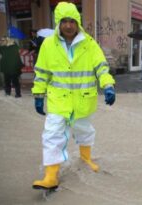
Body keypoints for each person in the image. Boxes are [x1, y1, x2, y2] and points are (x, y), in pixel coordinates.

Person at [31, 2, 116, 191]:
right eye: (64, 21)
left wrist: (108, 85)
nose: (68, 25)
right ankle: (51, 176)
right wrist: (38, 93)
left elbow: (101, 67)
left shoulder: (89, 44)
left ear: (77, 22)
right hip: (58, 101)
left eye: (72, 21)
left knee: (84, 132)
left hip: (83, 101)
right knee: (52, 135)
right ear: (58, 23)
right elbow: (42, 72)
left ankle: (86, 159)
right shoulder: (48, 45)